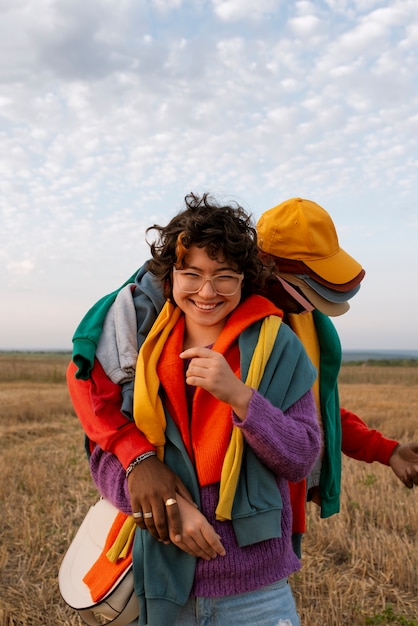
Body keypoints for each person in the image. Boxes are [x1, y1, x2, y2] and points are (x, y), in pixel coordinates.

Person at [67, 195, 418, 554]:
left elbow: (308, 409)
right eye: (305, 288)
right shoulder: (163, 312)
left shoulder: (287, 327)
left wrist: (385, 450)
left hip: (268, 528)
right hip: (175, 530)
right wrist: (137, 461)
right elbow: (91, 391)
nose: (312, 305)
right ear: (262, 269)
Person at [68, 192, 321, 626]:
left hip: (255, 593)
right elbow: (101, 453)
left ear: (244, 279)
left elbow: (300, 457)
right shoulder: (143, 346)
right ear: (170, 278)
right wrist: (164, 502)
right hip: (163, 584)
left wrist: (240, 395)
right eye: (192, 274)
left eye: (224, 275)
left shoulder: (278, 346)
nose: (207, 291)